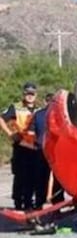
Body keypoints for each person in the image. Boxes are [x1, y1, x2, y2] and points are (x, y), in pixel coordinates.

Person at [0, 82, 39, 210]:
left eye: (32, 94)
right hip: (21, 146)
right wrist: (10, 134)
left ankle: (28, 203)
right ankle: (18, 202)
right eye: (27, 93)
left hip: (35, 147)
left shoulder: (40, 109)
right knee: (20, 175)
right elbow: (1, 118)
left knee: (33, 175)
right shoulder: (16, 107)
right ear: (23, 94)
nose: (30, 96)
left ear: (36, 95)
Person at [30, 92, 65, 208]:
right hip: (56, 151)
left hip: (41, 149)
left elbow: (31, 133)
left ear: (45, 102)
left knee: (41, 178)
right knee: (58, 179)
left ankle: (39, 203)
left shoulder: (38, 114)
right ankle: (57, 203)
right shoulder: (60, 115)